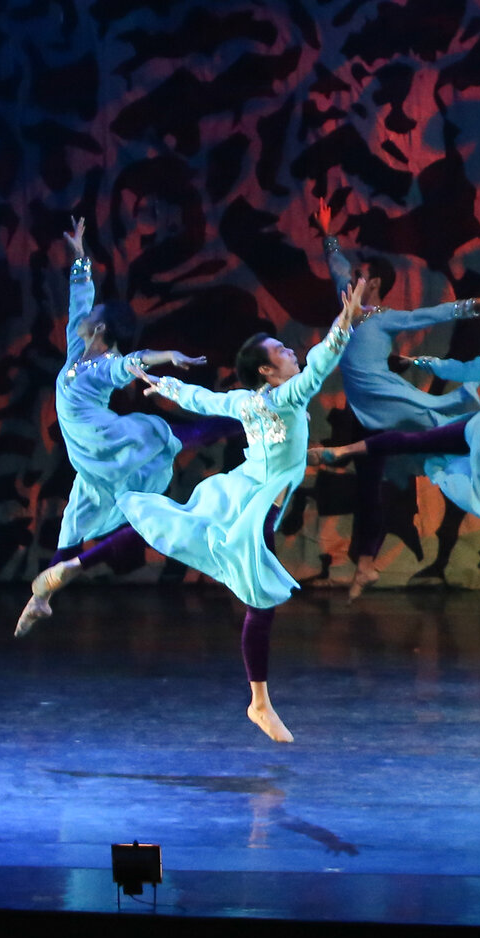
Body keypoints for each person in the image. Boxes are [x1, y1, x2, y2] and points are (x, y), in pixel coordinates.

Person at [118, 274, 373, 741]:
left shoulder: (247, 399)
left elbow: (204, 398)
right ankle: (259, 702)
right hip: (251, 503)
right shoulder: (285, 397)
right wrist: (344, 323)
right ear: (266, 371)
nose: (292, 352)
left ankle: (259, 701)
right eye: (281, 351)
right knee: (261, 601)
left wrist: (166, 386)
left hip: (251, 496)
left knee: (262, 602)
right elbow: (318, 366)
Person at [315, 236, 480, 626]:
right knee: (399, 457)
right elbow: (455, 370)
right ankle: (348, 472)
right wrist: (329, 237)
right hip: (473, 429)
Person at [15, 217, 233, 636]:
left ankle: (236, 422)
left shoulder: (103, 367)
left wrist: (167, 354)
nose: (82, 317)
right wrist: (80, 254)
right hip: (89, 458)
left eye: (92, 317)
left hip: (106, 441)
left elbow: (131, 363)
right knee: (72, 524)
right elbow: (81, 297)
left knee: (167, 438)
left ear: (100, 329)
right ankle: (40, 599)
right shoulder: (78, 348)